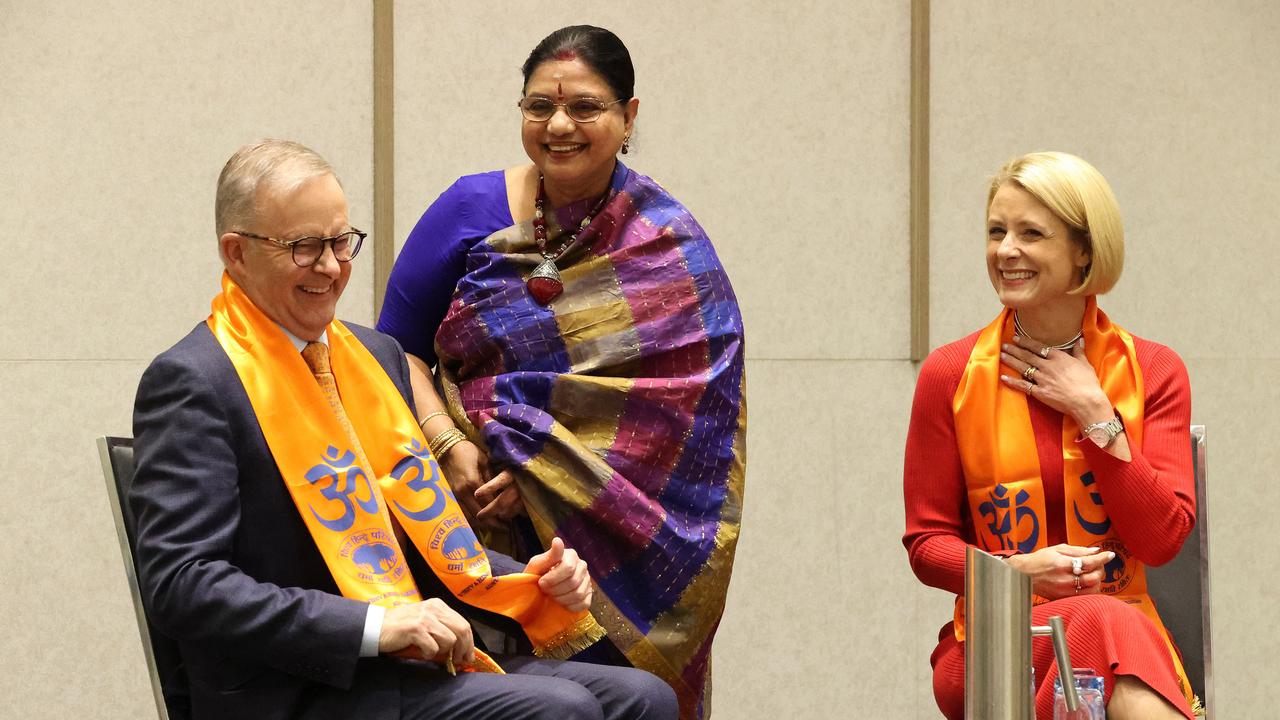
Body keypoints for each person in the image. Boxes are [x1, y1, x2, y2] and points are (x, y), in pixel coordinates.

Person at [129, 138, 677, 720]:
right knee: (559, 710)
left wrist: (532, 582)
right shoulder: (194, 381)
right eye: (305, 247)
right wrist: (375, 625)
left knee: (645, 699)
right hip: (298, 687)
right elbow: (181, 582)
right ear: (236, 253)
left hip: (412, 666)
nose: (332, 267)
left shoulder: (375, 356)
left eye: (341, 242)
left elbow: (422, 541)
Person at [377, 25, 745, 720]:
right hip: (466, 531)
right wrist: (450, 445)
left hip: (618, 558)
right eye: (539, 105)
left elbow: (693, 424)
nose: (559, 125)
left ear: (630, 116)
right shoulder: (467, 208)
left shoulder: (669, 244)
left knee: (623, 700)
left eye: (586, 107)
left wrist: (548, 471)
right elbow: (388, 352)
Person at [902, 151, 1199, 719]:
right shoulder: (951, 374)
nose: (1005, 251)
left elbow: (1162, 540)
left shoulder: (1155, 371)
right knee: (1108, 627)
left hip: (1120, 629)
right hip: (991, 642)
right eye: (996, 231)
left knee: (1105, 627)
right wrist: (1014, 572)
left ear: (1085, 250)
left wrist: (1094, 411)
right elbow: (925, 544)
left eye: (1031, 233)